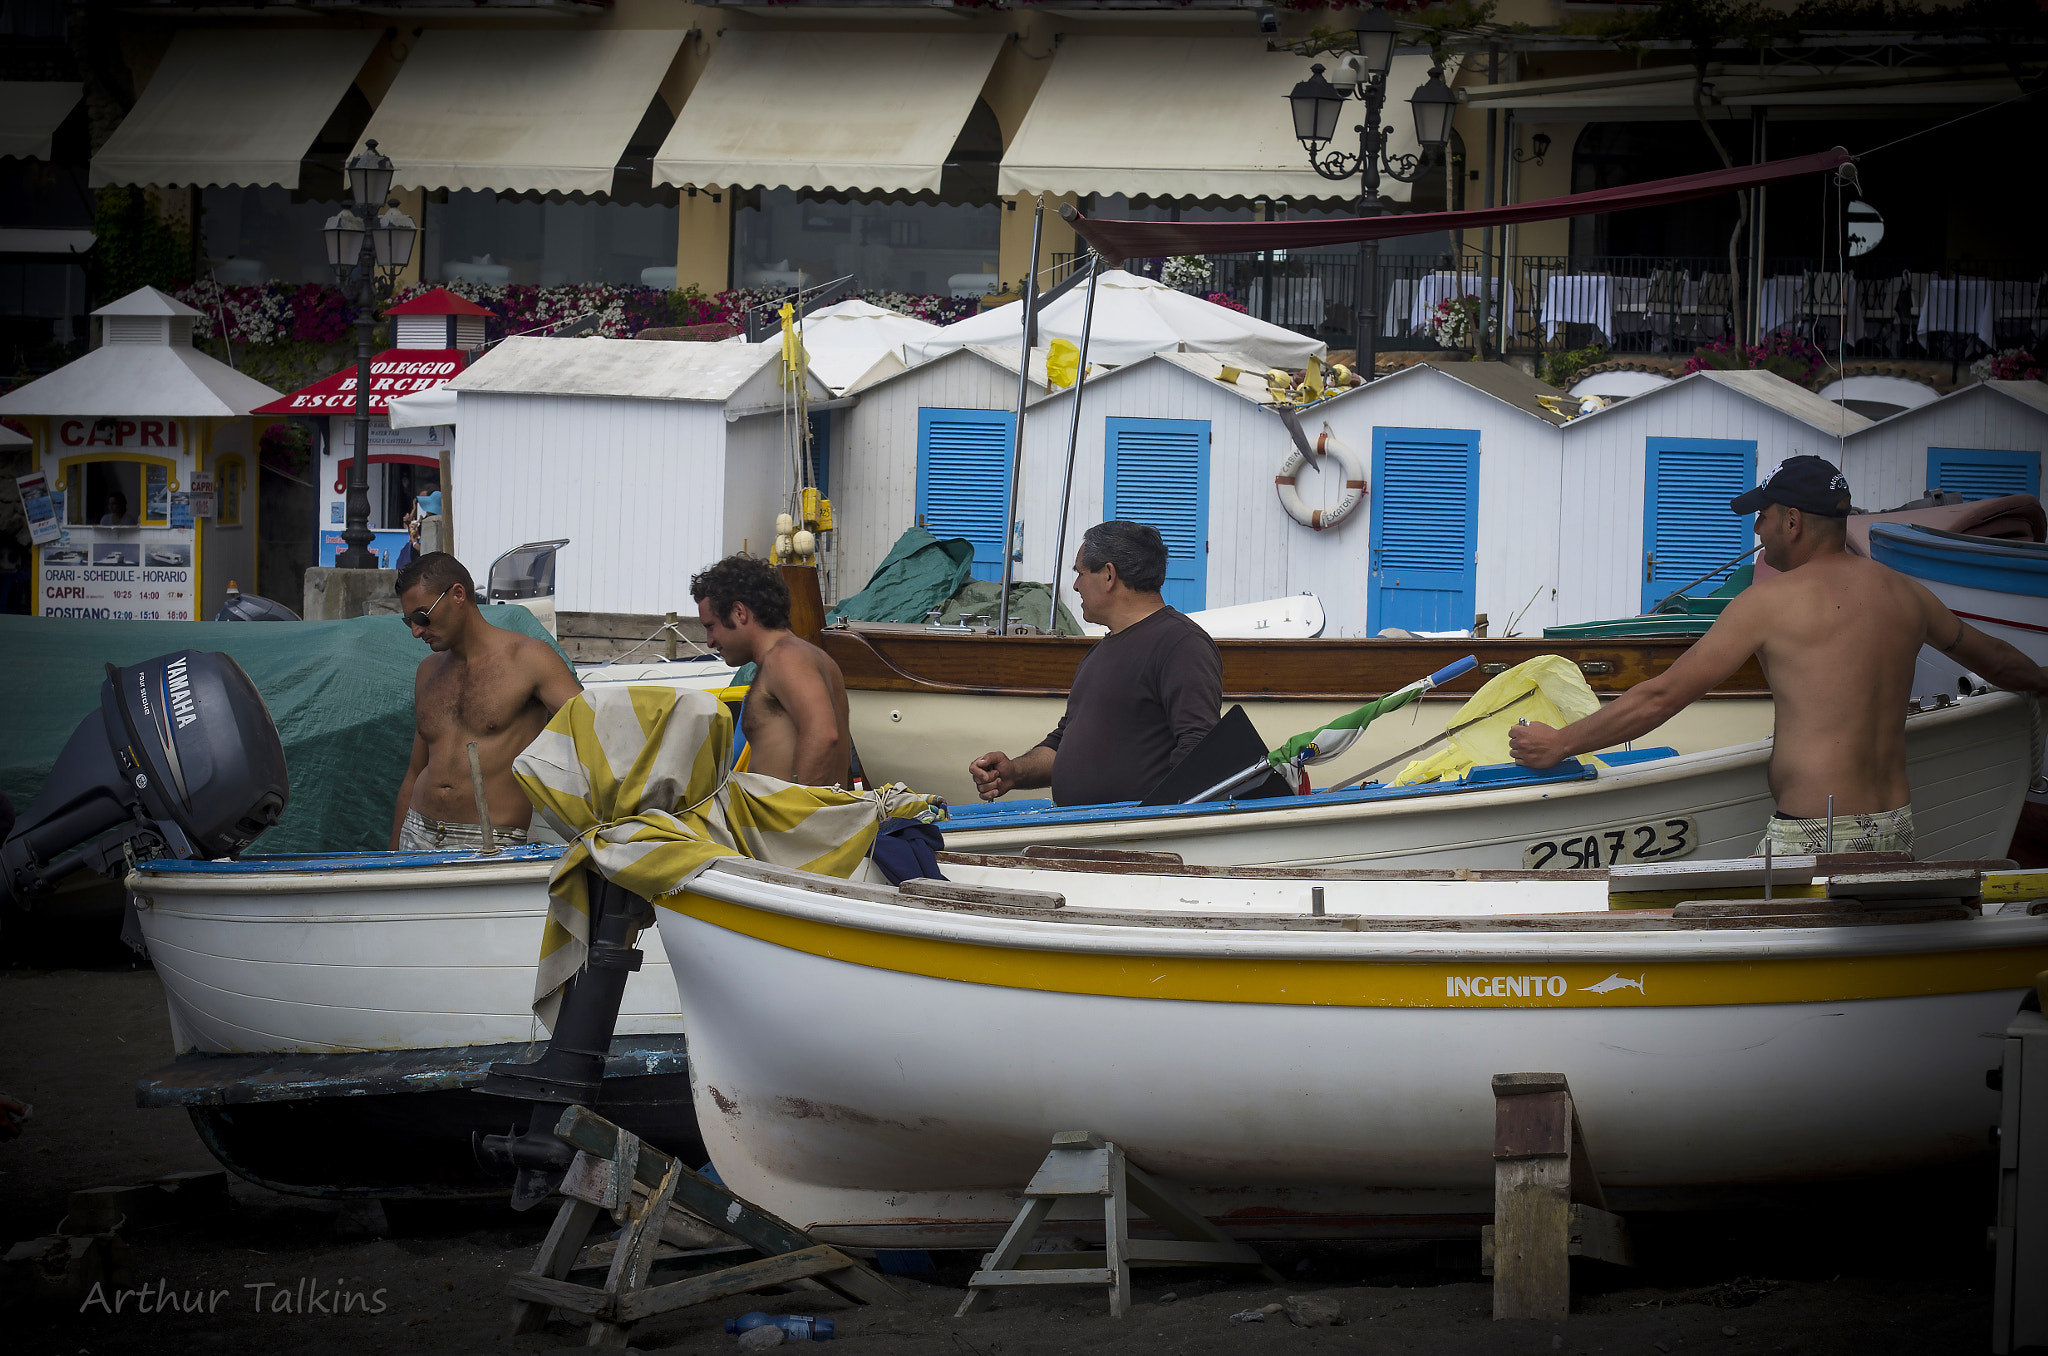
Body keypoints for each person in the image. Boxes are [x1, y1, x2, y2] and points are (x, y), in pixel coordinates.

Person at [1508, 455, 2048, 855]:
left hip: (1816, 831)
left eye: (1762, 516)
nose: (1756, 529)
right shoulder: (1906, 594)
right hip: (1894, 825)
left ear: (1792, 521)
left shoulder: (1767, 603)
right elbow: (1999, 660)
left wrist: (1561, 743)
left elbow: (1663, 696)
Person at [970, 520, 1221, 806]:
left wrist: (1152, 826)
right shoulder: (1101, 650)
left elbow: (1198, 748)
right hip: (1090, 835)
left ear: (1109, 575)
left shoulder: (1181, 643)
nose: (1075, 586)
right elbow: (1062, 743)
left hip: (1135, 840)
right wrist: (1014, 772)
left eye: (1080, 572)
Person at [389, 552, 582, 851]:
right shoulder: (427, 671)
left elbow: (594, 736)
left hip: (490, 842)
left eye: (422, 616)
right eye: (408, 621)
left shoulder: (530, 660)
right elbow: (415, 773)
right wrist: (391, 860)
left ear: (457, 595)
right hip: (416, 834)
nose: (416, 631)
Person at [691, 553, 852, 788]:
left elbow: (824, 736)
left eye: (711, 627)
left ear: (739, 612)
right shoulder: (813, 657)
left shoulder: (785, 658)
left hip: (795, 822)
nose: (709, 641)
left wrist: (801, 814)